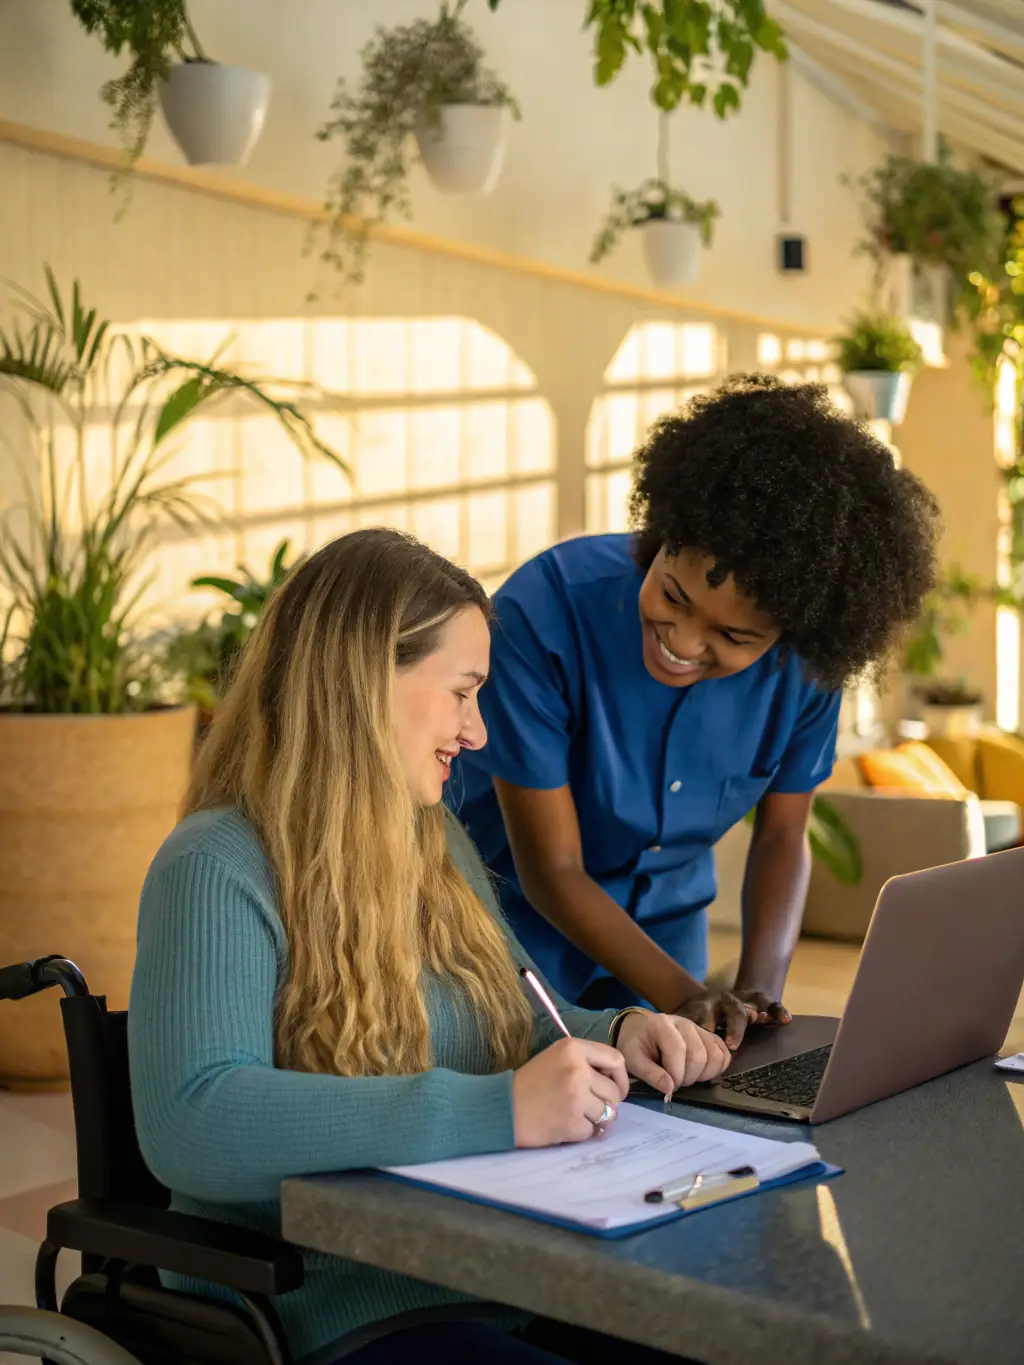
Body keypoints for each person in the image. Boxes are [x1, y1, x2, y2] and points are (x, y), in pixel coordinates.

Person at [128, 528, 731, 1365]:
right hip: (337, 1308)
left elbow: (515, 1022)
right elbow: (192, 1120)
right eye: (462, 692)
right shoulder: (215, 864)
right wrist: (497, 1110)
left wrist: (617, 1032)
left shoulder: (433, 841)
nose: (477, 731)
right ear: (365, 680)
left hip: (502, 1274)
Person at [450, 375, 939, 1047]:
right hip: (503, 946)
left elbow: (782, 837)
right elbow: (553, 870)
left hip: (671, 949)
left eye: (733, 637)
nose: (683, 641)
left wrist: (760, 996)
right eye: (674, 595)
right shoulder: (545, 613)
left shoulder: (806, 670)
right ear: (663, 532)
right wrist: (685, 996)